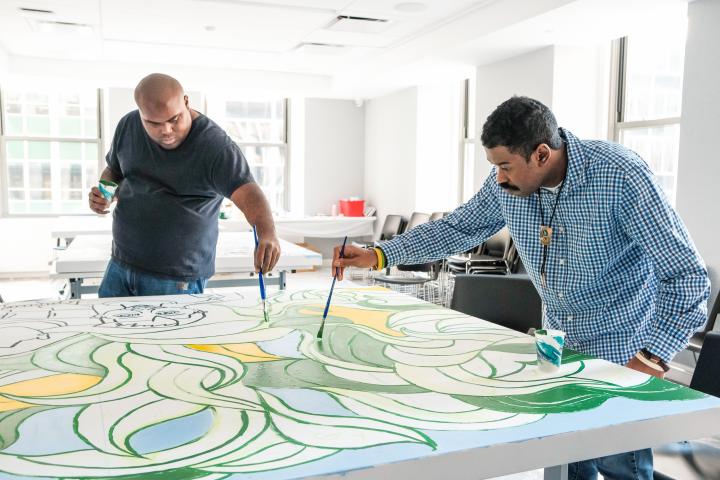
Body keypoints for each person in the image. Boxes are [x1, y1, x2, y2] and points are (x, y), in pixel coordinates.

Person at [332, 96, 710, 479]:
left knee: (620, 466)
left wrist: (651, 359)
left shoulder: (619, 175)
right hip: (559, 349)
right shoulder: (507, 186)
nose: (499, 178)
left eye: (505, 166)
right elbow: (456, 228)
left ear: (541, 154)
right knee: (567, 460)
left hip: (622, 351)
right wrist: (378, 255)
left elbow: (687, 278)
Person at [88, 73, 280, 297]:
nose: (166, 130)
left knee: (167, 334)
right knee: (109, 331)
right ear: (140, 114)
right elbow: (115, 169)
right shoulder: (128, 126)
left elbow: (248, 192)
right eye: (154, 123)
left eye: (174, 119)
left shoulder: (216, 147)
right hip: (121, 263)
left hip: (176, 277)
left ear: (186, 102)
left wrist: (267, 233)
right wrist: (106, 192)